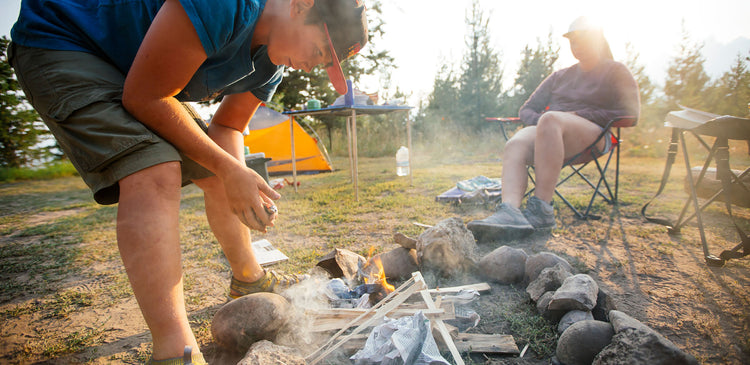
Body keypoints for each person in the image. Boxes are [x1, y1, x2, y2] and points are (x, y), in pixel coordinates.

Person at [8, 0, 368, 363]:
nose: (311, 66)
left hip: (131, 69)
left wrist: (238, 177)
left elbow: (227, 127)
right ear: (302, 6)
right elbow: (145, 96)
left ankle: (249, 279)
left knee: (216, 167)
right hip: (66, 39)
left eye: (322, 64)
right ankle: (175, 353)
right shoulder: (227, 5)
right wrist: (231, 171)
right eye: (318, 51)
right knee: (155, 169)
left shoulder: (267, 68)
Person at [468, 16, 640, 237]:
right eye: (574, 42)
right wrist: (542, 124)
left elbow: (630, 115)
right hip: (550, 133)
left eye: (584, 41)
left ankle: (541, 209)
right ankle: (510, 212)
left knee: (551, 119)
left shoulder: (615, 71)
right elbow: (527, 109)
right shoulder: (560, 76)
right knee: (516, 144)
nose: (578, 47)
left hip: (593, 134)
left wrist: (578, 114)